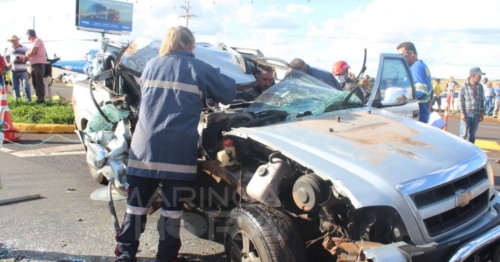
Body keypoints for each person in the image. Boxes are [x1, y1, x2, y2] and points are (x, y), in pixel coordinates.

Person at [114, 26, 236, 262]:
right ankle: (165, 257)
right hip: (178, 152)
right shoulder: (199, 67)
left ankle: (125, 255)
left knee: (136, 208)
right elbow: (229, 94)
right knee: (171, 213)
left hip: (144, 150)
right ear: (191, 45)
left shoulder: (150, 65)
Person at [397, 42, 432, 123]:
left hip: (417, 116)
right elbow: (431, 93)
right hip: (422, 114)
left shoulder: (416, 68)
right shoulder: (422, 66)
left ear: (411, 53)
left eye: (402, 55)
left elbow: (421, 92)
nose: (400, 59)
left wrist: (403, 98)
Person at [459, 67, 485, 143]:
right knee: (463, 135)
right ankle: (462, 151)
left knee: (472, 136)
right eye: (479, 76)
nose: (480, 78)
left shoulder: (480, 86)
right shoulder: (464, 86)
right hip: (467, 113)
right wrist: (462, 113)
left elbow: (482, 100)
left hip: (476, 114)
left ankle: (471, 151)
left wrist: (482, 113)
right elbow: (461, 100)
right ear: (473, 76)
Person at [5, 35, 31, 102]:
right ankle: (17, 101)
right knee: (15, 86)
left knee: (26, 85)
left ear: (18, 40)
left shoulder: (24, 48)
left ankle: (28, 100)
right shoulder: (9, 49)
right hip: (13, 70)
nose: (14, 41)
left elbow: (29, 57)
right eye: (13, 40)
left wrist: (23, 59)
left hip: (23, 70)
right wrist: (7, 63)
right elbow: (6, 57)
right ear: (11, 41)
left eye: (15, 40)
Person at [25, 29, 47, 103]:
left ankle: (41, 99)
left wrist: (27, 53)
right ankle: (38, 98)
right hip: (33, 64)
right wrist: (27, 53)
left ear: (29, 35)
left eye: (27, 35)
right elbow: (29, 54)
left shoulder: (38, 40)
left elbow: (31, 53)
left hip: (38, 64)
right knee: (34, 82)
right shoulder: (32, 43)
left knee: (38, 82)